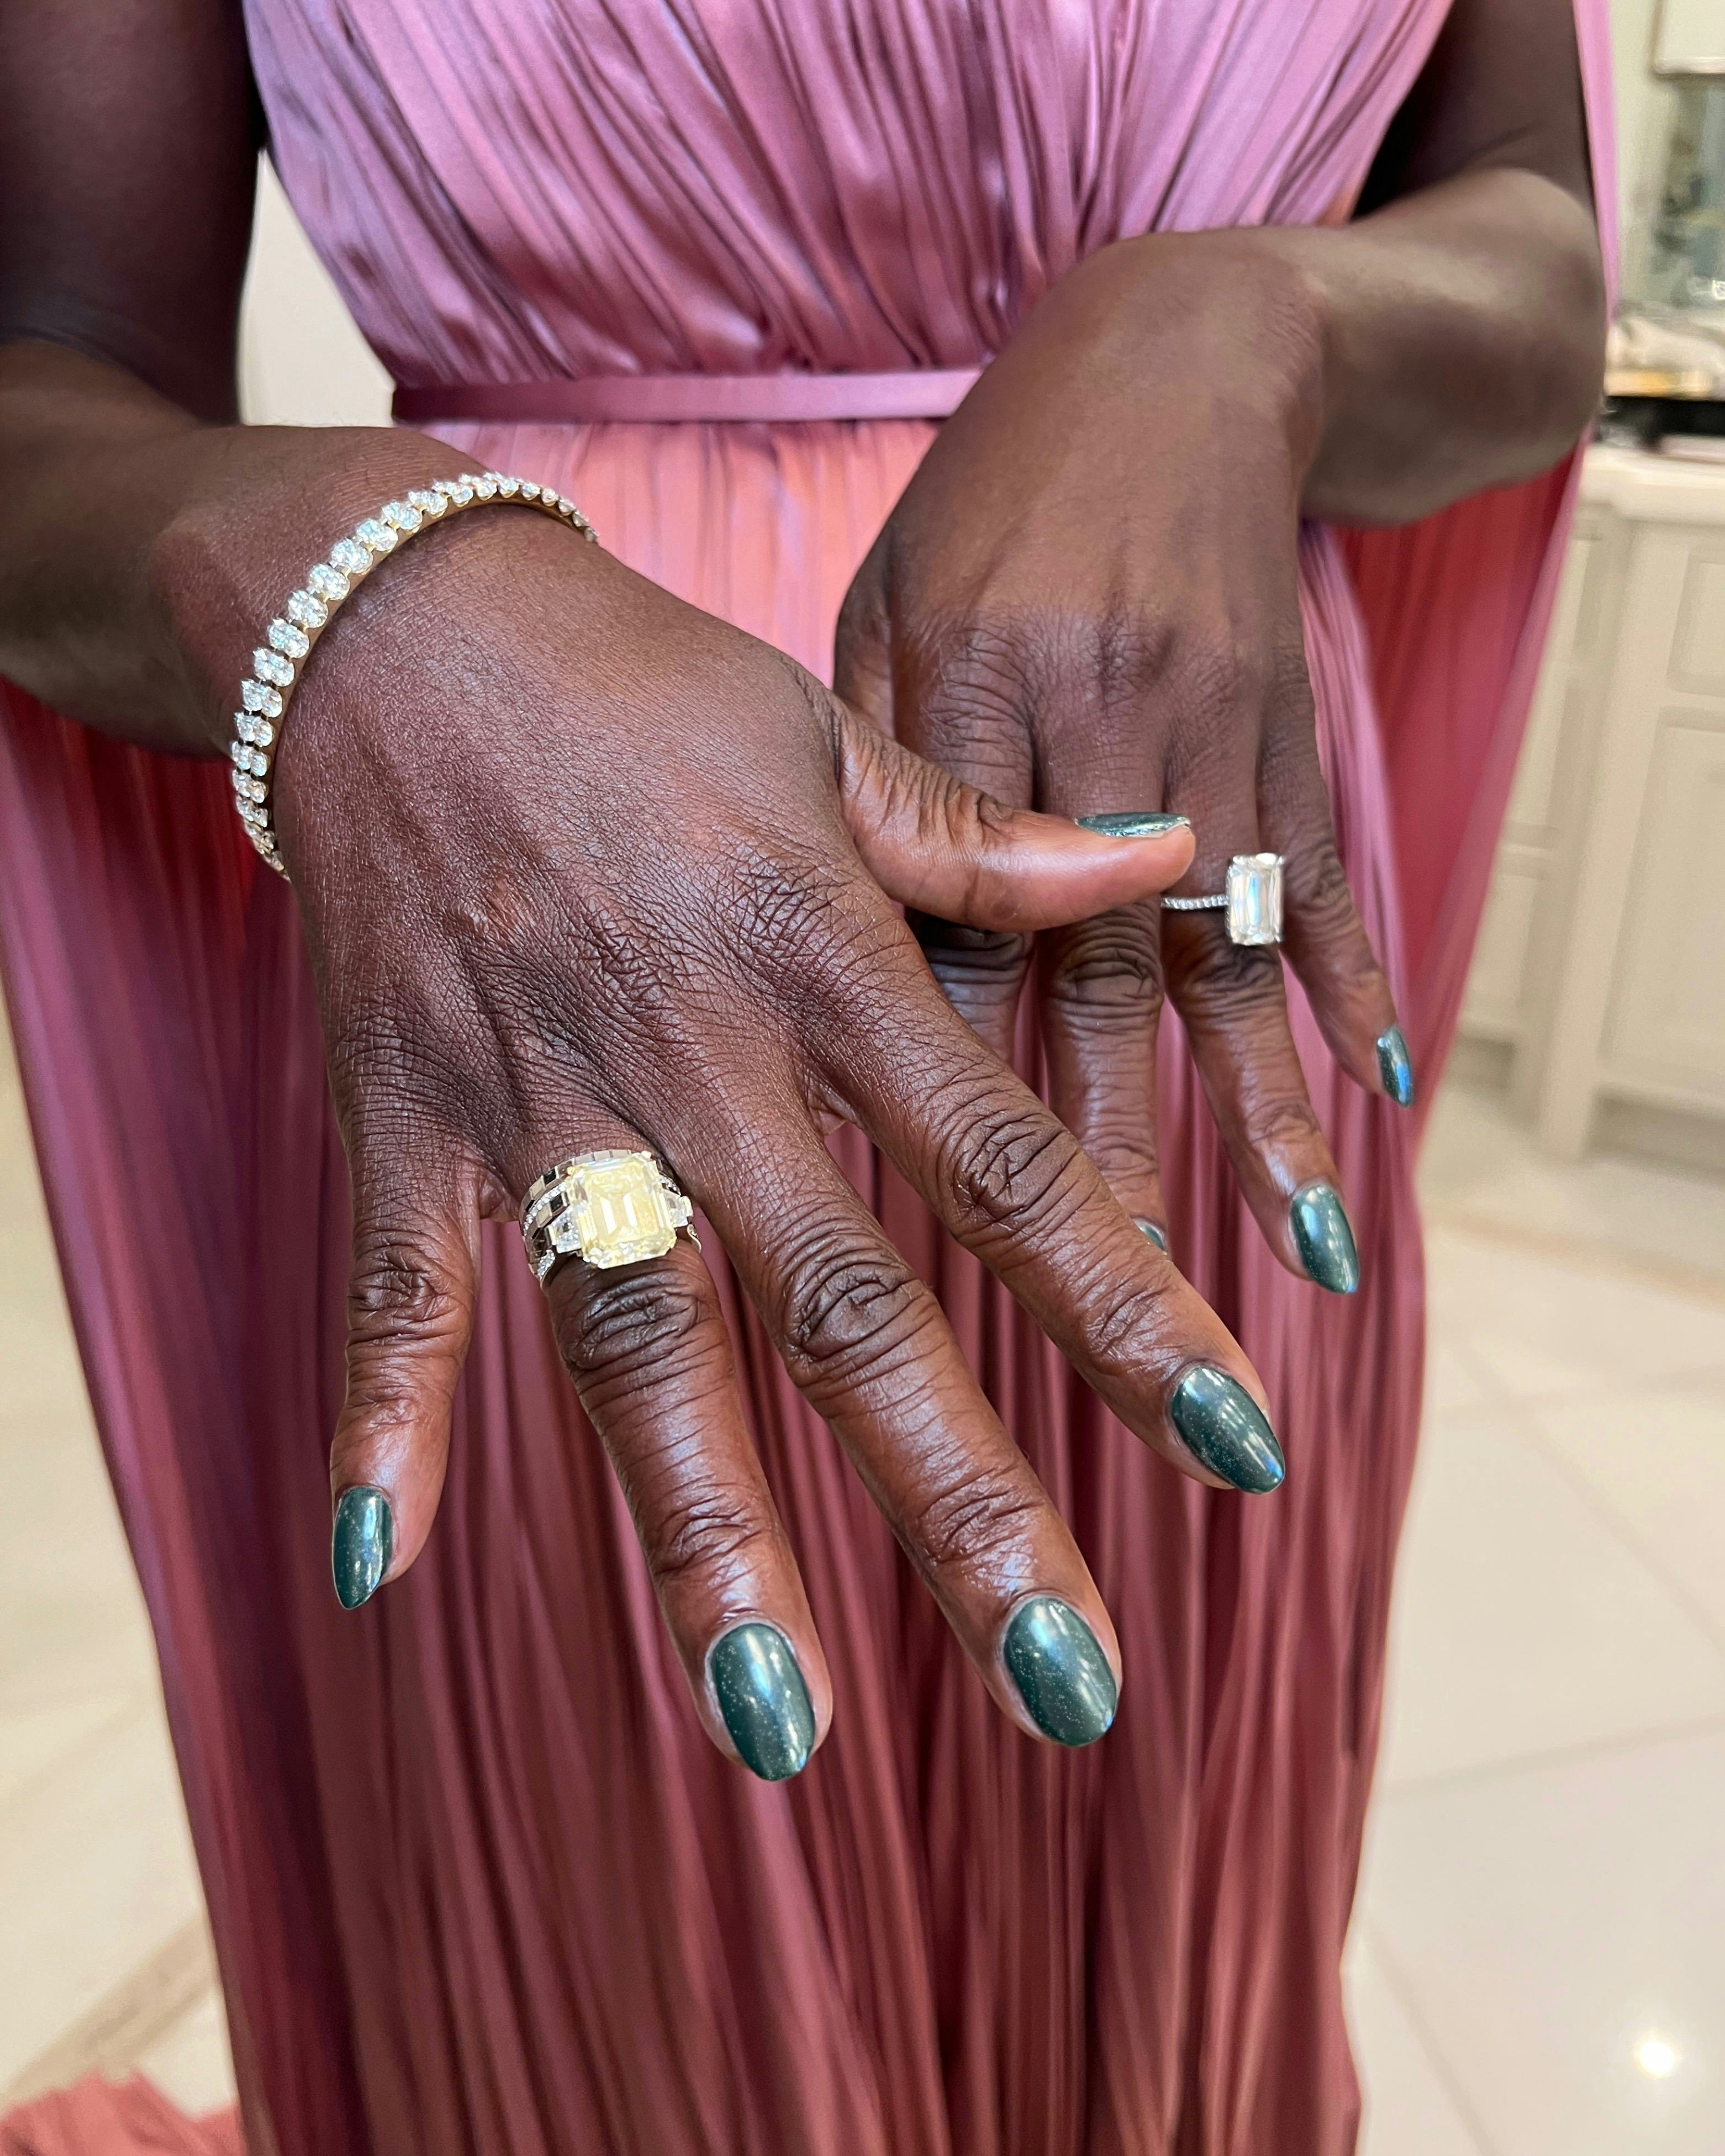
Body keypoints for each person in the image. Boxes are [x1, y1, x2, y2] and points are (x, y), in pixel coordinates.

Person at [0, 0, 1607, 2149]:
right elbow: (48, 371)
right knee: (618, 1990)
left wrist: (1243, 316)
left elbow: (1547, 258)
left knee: (1156, 1931)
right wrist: (343, 577)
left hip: (1187, 1027)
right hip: (553, 1045)